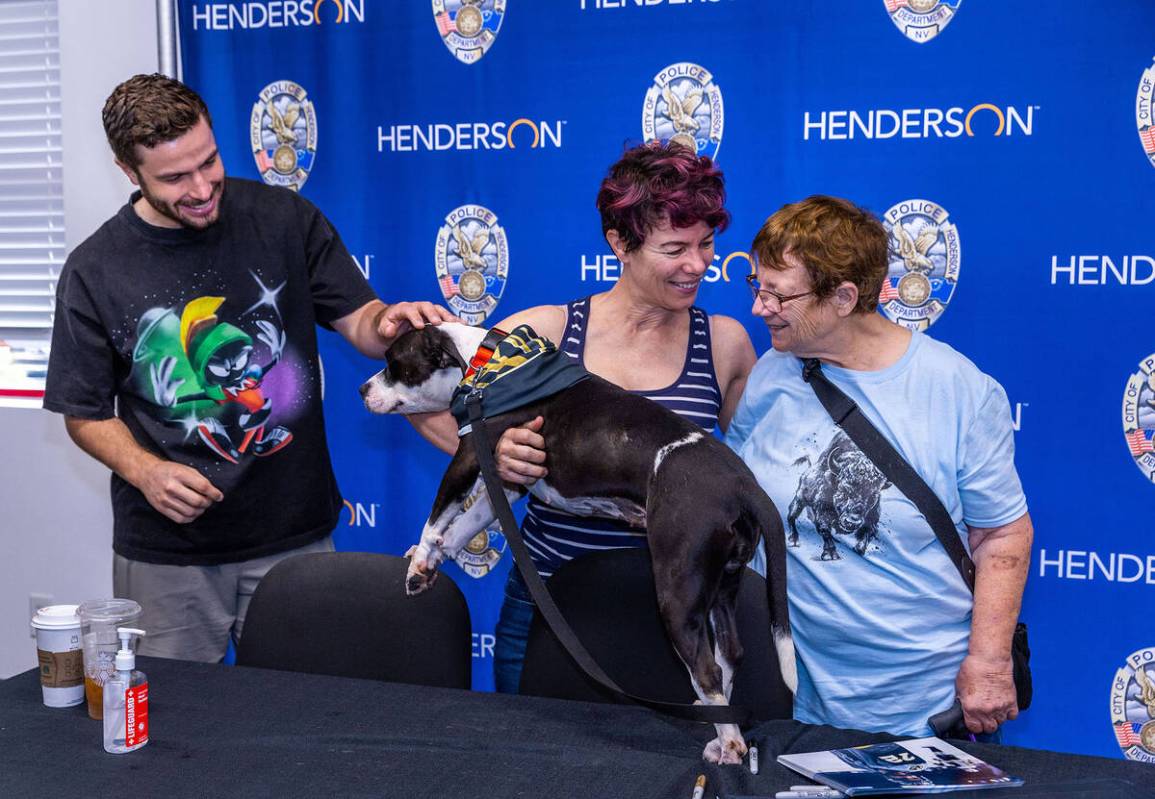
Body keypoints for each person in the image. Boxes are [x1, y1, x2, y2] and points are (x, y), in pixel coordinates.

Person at [43, 74, 454, 662]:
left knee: (310, 722)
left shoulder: (283, 217)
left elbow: (359, 320)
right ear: (129, 172)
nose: (203, 186)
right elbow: (82, 413)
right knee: (175, 734)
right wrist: (145, 470)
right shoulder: (94, 269)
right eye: (175, 177)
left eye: (208, 161)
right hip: (168, 555)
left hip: (295, 537)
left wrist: (388, 319)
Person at [410, 142, 756, 693]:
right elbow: (433, 408)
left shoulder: (725, 346)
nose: (699, 264)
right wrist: (495, 454)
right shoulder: (539, 334)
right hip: (548, 610)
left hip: (679, 616)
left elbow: (745, 483)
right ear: (619, 242)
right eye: (675, 248)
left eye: (707, 243)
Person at [725, 195, 1032, 736]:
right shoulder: (773, 374)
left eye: (778, 294)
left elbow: (1003, 535)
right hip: (783, 696)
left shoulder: (958, 390)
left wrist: (989, 663)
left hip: (917, 707)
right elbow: (738, 494)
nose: (759, 308)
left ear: (844, 297)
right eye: (757, 287)